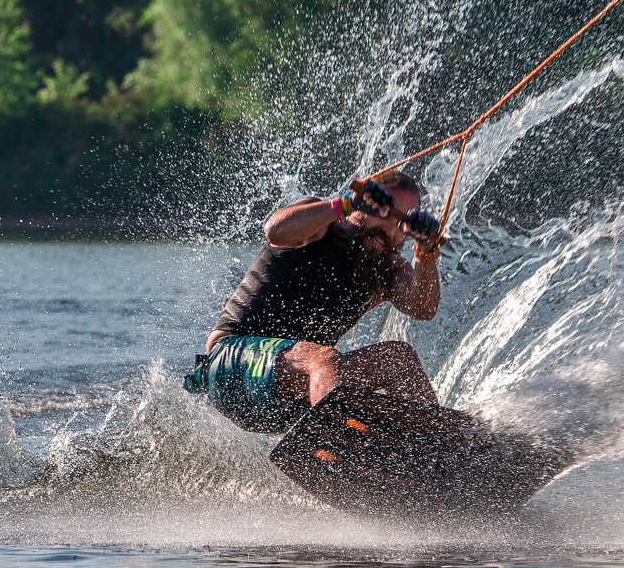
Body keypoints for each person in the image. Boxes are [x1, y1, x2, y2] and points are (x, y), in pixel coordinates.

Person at [184, 170, 443, 433]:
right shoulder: (322, 223)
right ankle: (340, 441)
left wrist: (426, 252)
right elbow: (274, 230)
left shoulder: (389, 269)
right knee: (322, 359)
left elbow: (423, 308)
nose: (389, 229)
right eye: (384, 213)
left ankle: (434, 449)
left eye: (402, 225)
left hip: (296, 396)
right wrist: (345, 204)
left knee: (399, 359)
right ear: (365, 203)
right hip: (232, 366)